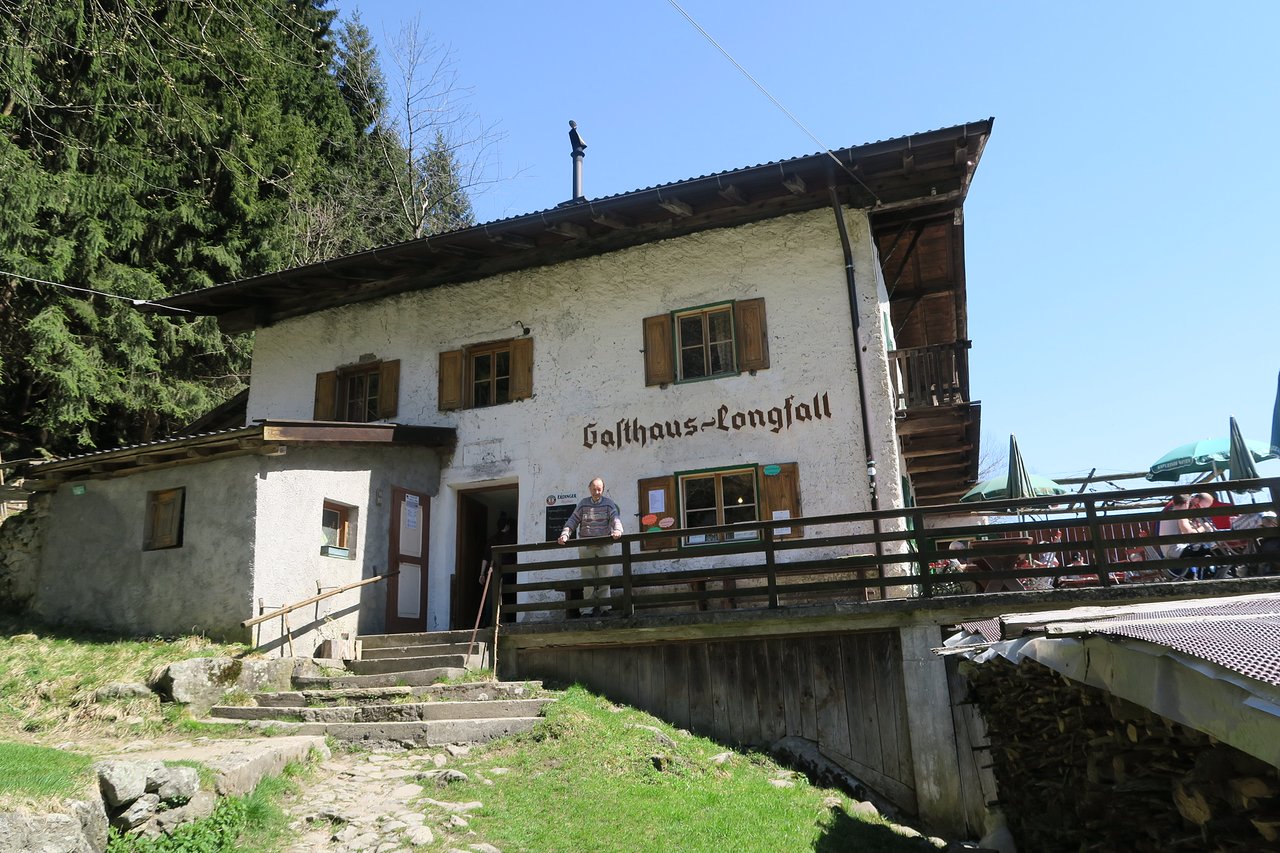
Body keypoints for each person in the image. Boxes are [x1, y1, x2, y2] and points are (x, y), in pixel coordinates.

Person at [557, 477, 624, 616]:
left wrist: (618, 530)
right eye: (594, 489)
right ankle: (587, 609)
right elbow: (573, 520)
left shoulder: (609, 504)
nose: (596, 492)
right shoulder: (583, 504)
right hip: (586, 545)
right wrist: (565, 534)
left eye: (599, 489)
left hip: (604, 545)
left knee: (605, 577)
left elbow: (615, 519)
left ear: (603, 489)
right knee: (587, 579)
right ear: (589, 489)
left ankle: (605, 609)